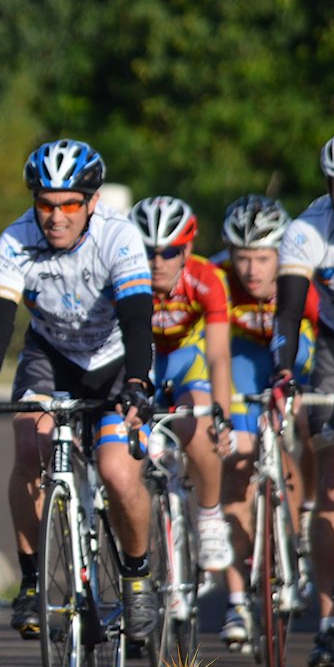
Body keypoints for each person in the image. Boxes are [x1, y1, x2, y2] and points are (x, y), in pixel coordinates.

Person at [0, 140, 160, 644]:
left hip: (115, 359)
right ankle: (32, 581)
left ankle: (137, 576)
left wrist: (137, 382)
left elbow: (138, 317)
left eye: (69, 204)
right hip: (51, 355)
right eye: (45, 204)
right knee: (29, 443)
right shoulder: (16, 239)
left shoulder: (118, 236)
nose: (56, 217)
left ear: (91, 202)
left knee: (117, 471)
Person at [273, 127, 334, 667]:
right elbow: (286, 313)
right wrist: (283, 371)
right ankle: (330, 622)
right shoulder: (307, 229)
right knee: (330, 475)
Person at [214, 194, 317, 648]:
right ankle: (237, 600)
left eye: (262, 258)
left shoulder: (302, 276)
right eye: (242, 257)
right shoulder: (218, 278)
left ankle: (306, 512)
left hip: (295, 349)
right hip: (243, 356)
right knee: (237, 463)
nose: (251, 270)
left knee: (307, 420)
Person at [129, 196, 236, 573]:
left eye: (169, 252)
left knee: (201, 427)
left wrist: (223, 417)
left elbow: (219, 356)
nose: (157, 262)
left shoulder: (207, 279)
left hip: (187, 361)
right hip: (143, 362)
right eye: (148, 252)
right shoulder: (124, 276)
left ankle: (209, 514)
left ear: (187, 250)